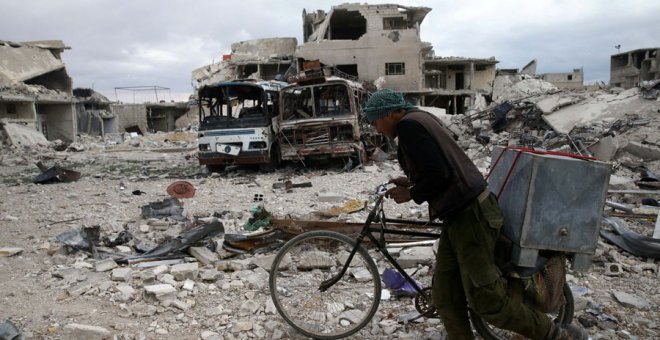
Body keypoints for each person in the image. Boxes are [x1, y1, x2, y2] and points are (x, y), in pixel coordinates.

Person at [363, 89, 588, 340]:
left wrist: (412, 194)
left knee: (488, 301)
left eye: (376, 120)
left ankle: (557, 335)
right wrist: (410, 181)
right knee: (446, 295)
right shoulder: (421, 119)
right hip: (458, 216)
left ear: (391, 114)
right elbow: (439, 167)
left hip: (471, 217)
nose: (376, 127)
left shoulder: (408, 127)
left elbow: (440, 174)